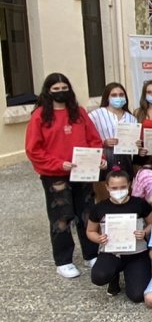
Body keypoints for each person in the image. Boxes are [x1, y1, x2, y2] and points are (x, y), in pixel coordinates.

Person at [26, 73, 105, 278]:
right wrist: (58, 163)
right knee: (61, 217)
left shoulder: (78, 113)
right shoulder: (40, 116)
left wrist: (98, 157)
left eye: (64, 88)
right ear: (48, 91)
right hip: (55, 174)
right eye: (56, 89)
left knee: (87, 214)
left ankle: (90, 254)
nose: (61, 92)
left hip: (82, 172)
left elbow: (94, 140)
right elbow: (34, 150)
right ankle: (63, 260)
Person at [86, 170, 152, 301]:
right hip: (112, 252)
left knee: (138, 295)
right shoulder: (100, 207)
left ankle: (132, 271)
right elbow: (90, 231)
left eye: (123, 187)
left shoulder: (139, 203)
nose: (119, 190)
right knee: (99, 277)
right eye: (114, 188)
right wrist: (98, 238)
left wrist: (145, 232)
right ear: (107, 187)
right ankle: (113, 277)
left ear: (129, 185)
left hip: (136, 253)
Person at [88, 82, 140, 201]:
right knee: (104, 195)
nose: (118, 97)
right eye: (114, 95)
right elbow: (87, 137)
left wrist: (136, 144)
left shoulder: (131, 118)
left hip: (125, 159)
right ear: (107, 97)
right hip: (105, 158)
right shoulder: (96, 114)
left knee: (125, 194)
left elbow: (134, 141)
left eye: (121, 95)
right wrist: (103, 142)